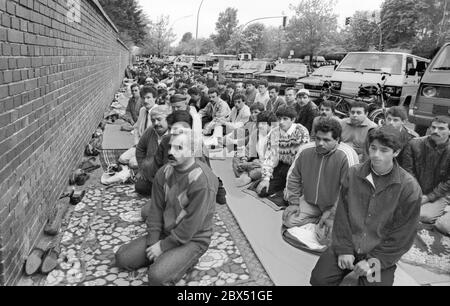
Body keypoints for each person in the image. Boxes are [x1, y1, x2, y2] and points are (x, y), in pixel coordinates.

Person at [310, 125, 422, 286]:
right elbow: (342, 215)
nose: (375, 155)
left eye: (384, 150)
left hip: (379, 253)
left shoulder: (409, 188)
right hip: (348, 244)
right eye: (373, 148)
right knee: (319, 280)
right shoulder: (353, 173)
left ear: (396, 152)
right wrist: (344, 250)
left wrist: (373, 261)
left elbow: (403, 235)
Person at [115, 127, 219, 286]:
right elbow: (155, 210)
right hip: (166, 231)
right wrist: (152, 244)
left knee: (156, 277)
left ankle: (188, 256)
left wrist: (163, 247)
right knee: (122, 258)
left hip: (193, 239)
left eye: (179, 148)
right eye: (170, 147)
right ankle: (169, 257)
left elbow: (191, 225)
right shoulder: (163, 173)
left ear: (192, 150)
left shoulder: (202, 181)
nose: (171, 152)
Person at [284, 119, 359, 240]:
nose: (320, 143)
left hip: (333, 206)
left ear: (337, 140)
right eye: (318, 138)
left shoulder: (346, 155)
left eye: (326, 140)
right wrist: (294, 203)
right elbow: (294, 177)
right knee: (288, 220)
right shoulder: (305, 150)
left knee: (325, 239)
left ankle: (325, 219)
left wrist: (332, 215)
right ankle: (319, 219)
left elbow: (348, 191)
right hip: (310, 201)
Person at [403, 117, 450, 236]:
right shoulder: (414, 143)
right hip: (414, 189)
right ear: (429, 128)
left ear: (449, 131)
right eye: (433, 127)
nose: (435, 131)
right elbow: (408, 171)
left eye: (441, 128)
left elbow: (448, 182)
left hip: (439, 193)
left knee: (424, 216)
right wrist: (417, 191)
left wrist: (428, 197)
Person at [256, 106, 310, 198]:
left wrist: (290, 184)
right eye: (279, 118)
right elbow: (270, 157)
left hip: (298, 169)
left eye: (285, 119)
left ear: (293, 119)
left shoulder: (301, 131)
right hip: (282, 166)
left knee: (289, 198)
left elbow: (301, 161)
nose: (281, 122)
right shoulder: (274, 132)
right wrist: (266, 179)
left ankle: (286, 188)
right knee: (263, 191)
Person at [234, 111, 279, 187]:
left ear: (271, 125)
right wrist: (244, 159)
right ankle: (246, 174)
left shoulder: (275, 136)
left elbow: (272, 162)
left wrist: (250, 164)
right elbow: (248, 149)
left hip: (266, 166)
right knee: (236, 157)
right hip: (256, 162)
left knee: (259, 171)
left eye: (263, 124)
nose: (260, 126)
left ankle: (247, 175)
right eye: (259, 123)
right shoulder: (256, 132)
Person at [134, 105, 171, 196]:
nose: (156, 123)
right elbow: (140, 149)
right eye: (153, 120)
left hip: (170, 174)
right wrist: (142, 168)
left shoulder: (174, 133)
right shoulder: (150, 130)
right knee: (140, 187)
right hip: (152, 172)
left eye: (159, 119)